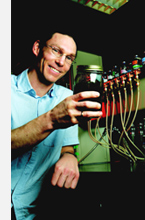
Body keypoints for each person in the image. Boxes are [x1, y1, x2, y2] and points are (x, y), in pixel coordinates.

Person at [11, 30, 103, 219]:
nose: (61, 62)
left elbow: (67, 148)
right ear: (37, 48)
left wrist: (70, 157)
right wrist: (52, 119)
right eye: (56, 51)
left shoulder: (67, 97)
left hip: (35, 212)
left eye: (69, 58)